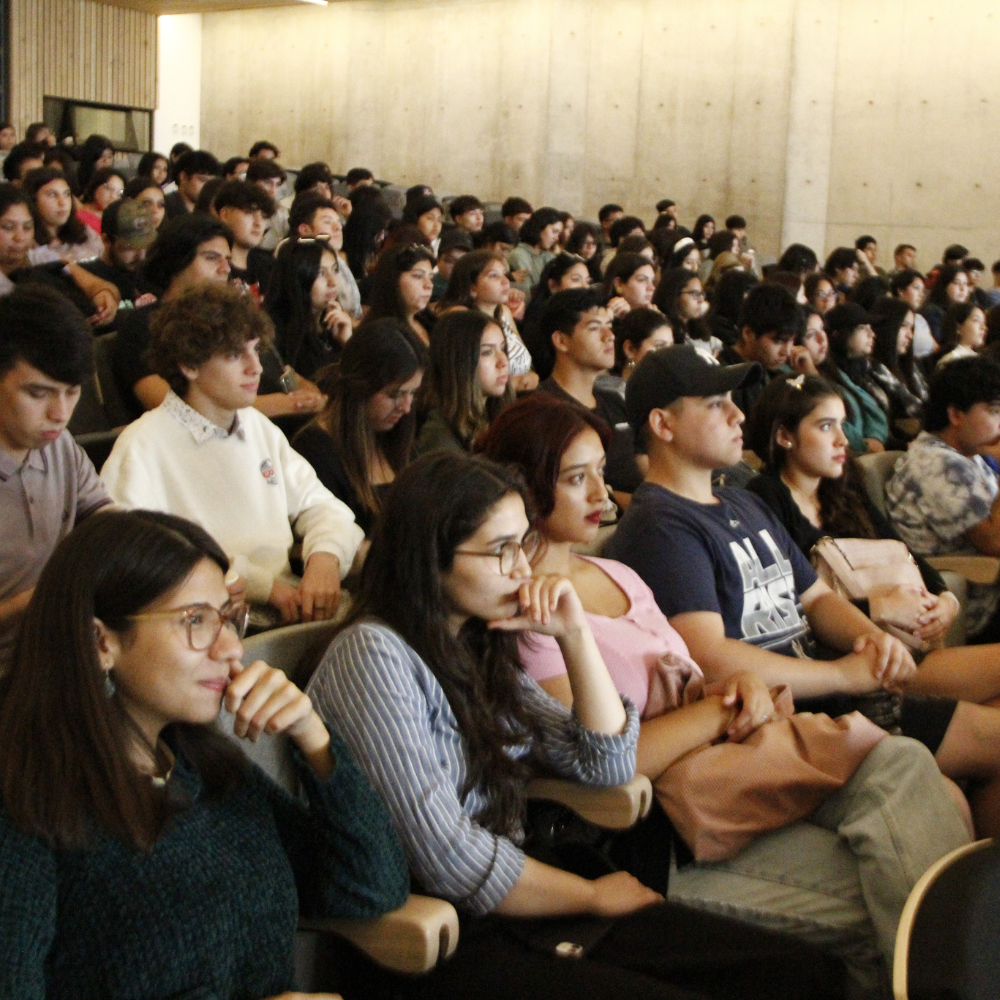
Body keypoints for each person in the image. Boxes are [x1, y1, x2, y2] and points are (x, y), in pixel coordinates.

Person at [306, 450, 848, 1000]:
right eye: (501, 551)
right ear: (429, 558)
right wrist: (589, 896)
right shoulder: (372, 654)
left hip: (527, 899)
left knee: (804, 974)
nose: (523, 568)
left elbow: (607, 763)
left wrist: (573, 636)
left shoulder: (474, 642)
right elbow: (449, 856)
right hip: (443, 940)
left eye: (523, 544)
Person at [480, 392, 971, 997]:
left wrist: (730, 688)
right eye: (576, 479)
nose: (601, 495)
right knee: (898, 910)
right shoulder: (528, 615)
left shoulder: (618, 575)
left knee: (906, 776)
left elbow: (691, 681)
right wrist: (717, 707)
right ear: (524, 489)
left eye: (601, 474)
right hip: (660, 832)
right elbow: (607, 763)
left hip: (730, 773)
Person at [0, 507, 409, 1000]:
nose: (231, 649)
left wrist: (313, 737)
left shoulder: (202, 768)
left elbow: (371, 886)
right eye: (194, 620)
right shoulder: (26, 807)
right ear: (100, 642)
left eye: (227, 618)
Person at [605, 346, 968, 785]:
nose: (738, 416)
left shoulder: (743, 501)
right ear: (663, 424)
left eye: (733, 402)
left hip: (833, 698)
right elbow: (710, 654)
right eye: (717, 405)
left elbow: (815, 599)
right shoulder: (661, 525)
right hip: (779, 722)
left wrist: (872, 639)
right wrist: (838, 675)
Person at [744, 373, 1000, 833]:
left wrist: (945, 602)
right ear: (784, 436)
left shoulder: (848, 485)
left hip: (914, 649)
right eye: (826, 427)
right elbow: (785, 610)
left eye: (843, 425)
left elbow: (912, 559)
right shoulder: (764, 501)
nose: (844, 440)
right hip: (864, 671)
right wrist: (878, 611)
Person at [102, 284, 364, 626]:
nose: (255, 368)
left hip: (292, 608)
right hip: (210, 624)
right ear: (189, 365)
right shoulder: (141, 446)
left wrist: (325, 557)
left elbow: (322, 506)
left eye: (256, 351)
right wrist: (265, 587)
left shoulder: (258, 426)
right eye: (234, 355)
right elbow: (139, 556)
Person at [0, 286, 113, 675]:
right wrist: (51, 596)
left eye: (72, 392)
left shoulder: (59, 445)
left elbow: (107, 522)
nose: (60, 413)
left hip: (56, 659)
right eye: (38, 393)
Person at [886, 356, 1000, 644]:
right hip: (973, 601)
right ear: (956, 415)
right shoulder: (938, 464)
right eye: (995, 411)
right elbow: (995, 542)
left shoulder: (969, 458)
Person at [293, 318, 426, 536]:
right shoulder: (314, 450)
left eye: (413, 393)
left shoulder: (396, 434)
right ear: (360, 388)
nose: (407, 407)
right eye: (395, 395)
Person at [111, 214, 234, 421]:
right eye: (212, 258)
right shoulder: (143, 326)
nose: (226, 269)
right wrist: (288, 404)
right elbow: (173, 410)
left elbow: (280, 376)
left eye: (228, 260)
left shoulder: (228, 321)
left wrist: (302, 396)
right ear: (178, 262)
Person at [537, 287, 643, 496]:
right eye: (594, 328)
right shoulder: (542, 410)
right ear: (561, 341)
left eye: (609, 326)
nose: (610, 336)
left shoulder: (614, 401)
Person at [438, 248, 537, 391]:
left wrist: (531, 375)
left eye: (504, 274)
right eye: (493, 276)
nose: (505, 281)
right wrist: (513, 385)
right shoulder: (459, 316)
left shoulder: (504, 311)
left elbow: (525, 360)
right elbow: (464, 378)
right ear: (472, 288)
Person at [416, 309, 511, 455]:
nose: (503, 361)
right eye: (487, 352)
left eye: (503, 348)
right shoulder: (437, 433)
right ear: (460, 363)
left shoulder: (497, 414)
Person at [263, 236, 353, 384]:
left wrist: (347, 342)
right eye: (320, 273)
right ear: (296, 278)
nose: (333, 282)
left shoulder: (336, 323)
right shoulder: (274, 333)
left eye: (335, 270)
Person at [718, 282, 799, 414]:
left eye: (791, 341)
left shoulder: (776, 373)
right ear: (748, 333)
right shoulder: (725, 382)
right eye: (778, 341)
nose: (787, 351)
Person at [821, 303, 890, 453]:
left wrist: (876, 437)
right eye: (862, 328)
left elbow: (876, 413)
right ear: (840, 334)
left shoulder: (865, 368)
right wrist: (866, 444)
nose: (872, 334)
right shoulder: (828, 372)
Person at [288, 192, 363, 323]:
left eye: (339, 222)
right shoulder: (292, 263)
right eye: (328, 222)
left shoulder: (339, 261)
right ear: (305, 230)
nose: (338, 227)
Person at [78, 198, 158, 314]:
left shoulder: (151, 274)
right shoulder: (86, 278)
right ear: (106, 240)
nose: (140, 256)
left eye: (145, 245)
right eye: (130, 247)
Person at [213, 178, 277, 303]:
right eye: (249, 212)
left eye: (263, 216)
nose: (258, 223)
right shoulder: (213, 268)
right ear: (225, 214)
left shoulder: (269, 267)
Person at [22, 167, 104, 263]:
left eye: (66, 194)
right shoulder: (25, 242)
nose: (62, 202)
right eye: (52, 195)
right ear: (33, 200)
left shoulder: (85, 232)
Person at [362, 241, 436, 345]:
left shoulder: (430, 323)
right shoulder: (380, 334)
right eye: (418, 276)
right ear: (393, 280)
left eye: (431, 278)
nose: (429, 285)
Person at [599, 307, 674, 397]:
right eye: (660, 346)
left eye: (671, 346)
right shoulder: (612, 394)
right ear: (630, 349)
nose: (669, 353)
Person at [507, 207, 562, 294]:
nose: (556, 238)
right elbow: (527, 292)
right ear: (540, 228)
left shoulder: (549, 256)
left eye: (558, 234)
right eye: (554, 232)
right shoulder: (519, 255)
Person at [163, 150, 222, 219]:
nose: (208, 186)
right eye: (202, 180)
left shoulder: (213, 211)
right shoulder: (164, 208)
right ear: (183, 177)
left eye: (212, 182)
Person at [921, 263, 969, 345]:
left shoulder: (967, 312)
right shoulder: (933, 312)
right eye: (956, 283)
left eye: (965, 284)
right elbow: (942, 343)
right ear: (944, 286)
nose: (962, 288)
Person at [247, 158, 289, 251]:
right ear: (251, 183)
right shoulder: (243, 211)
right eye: (267, 183)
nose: (273, 190)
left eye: (277, 184)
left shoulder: (280, 211)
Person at [932, 301, 987, 369]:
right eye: (976, 320)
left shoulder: (979, 357)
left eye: (984, 322)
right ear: (958, 326)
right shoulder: (952, 359)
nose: (983, 327)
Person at [76, 167, 126, 234]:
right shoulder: (78, 217)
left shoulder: (117, 220)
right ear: (96, 186)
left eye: (119, 193)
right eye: (109, 188)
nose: (113, 196)